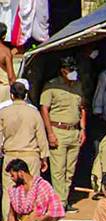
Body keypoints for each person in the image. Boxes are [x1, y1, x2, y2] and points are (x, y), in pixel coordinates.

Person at [40, 56, 86, 211]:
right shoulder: (51, 86)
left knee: (70, 169)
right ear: (63, 70)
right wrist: (50, 133)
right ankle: (60, 203)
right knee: (58, 169)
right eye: (70, 70)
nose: (73, 72)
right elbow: (44, 109)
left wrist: (83, 129)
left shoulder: (78, 85)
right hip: (58, 130)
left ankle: (64, 199)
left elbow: (82, 108)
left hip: (74, 131)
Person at [0, 82, 48, 221]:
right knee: (32, 189)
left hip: (11, 155)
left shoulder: (4, 112)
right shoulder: (34, 112)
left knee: (9, 191)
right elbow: (41, 136)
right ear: (26, 94)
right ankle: (30, 220)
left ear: (11, 95)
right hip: (30, 156)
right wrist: (44, 157)